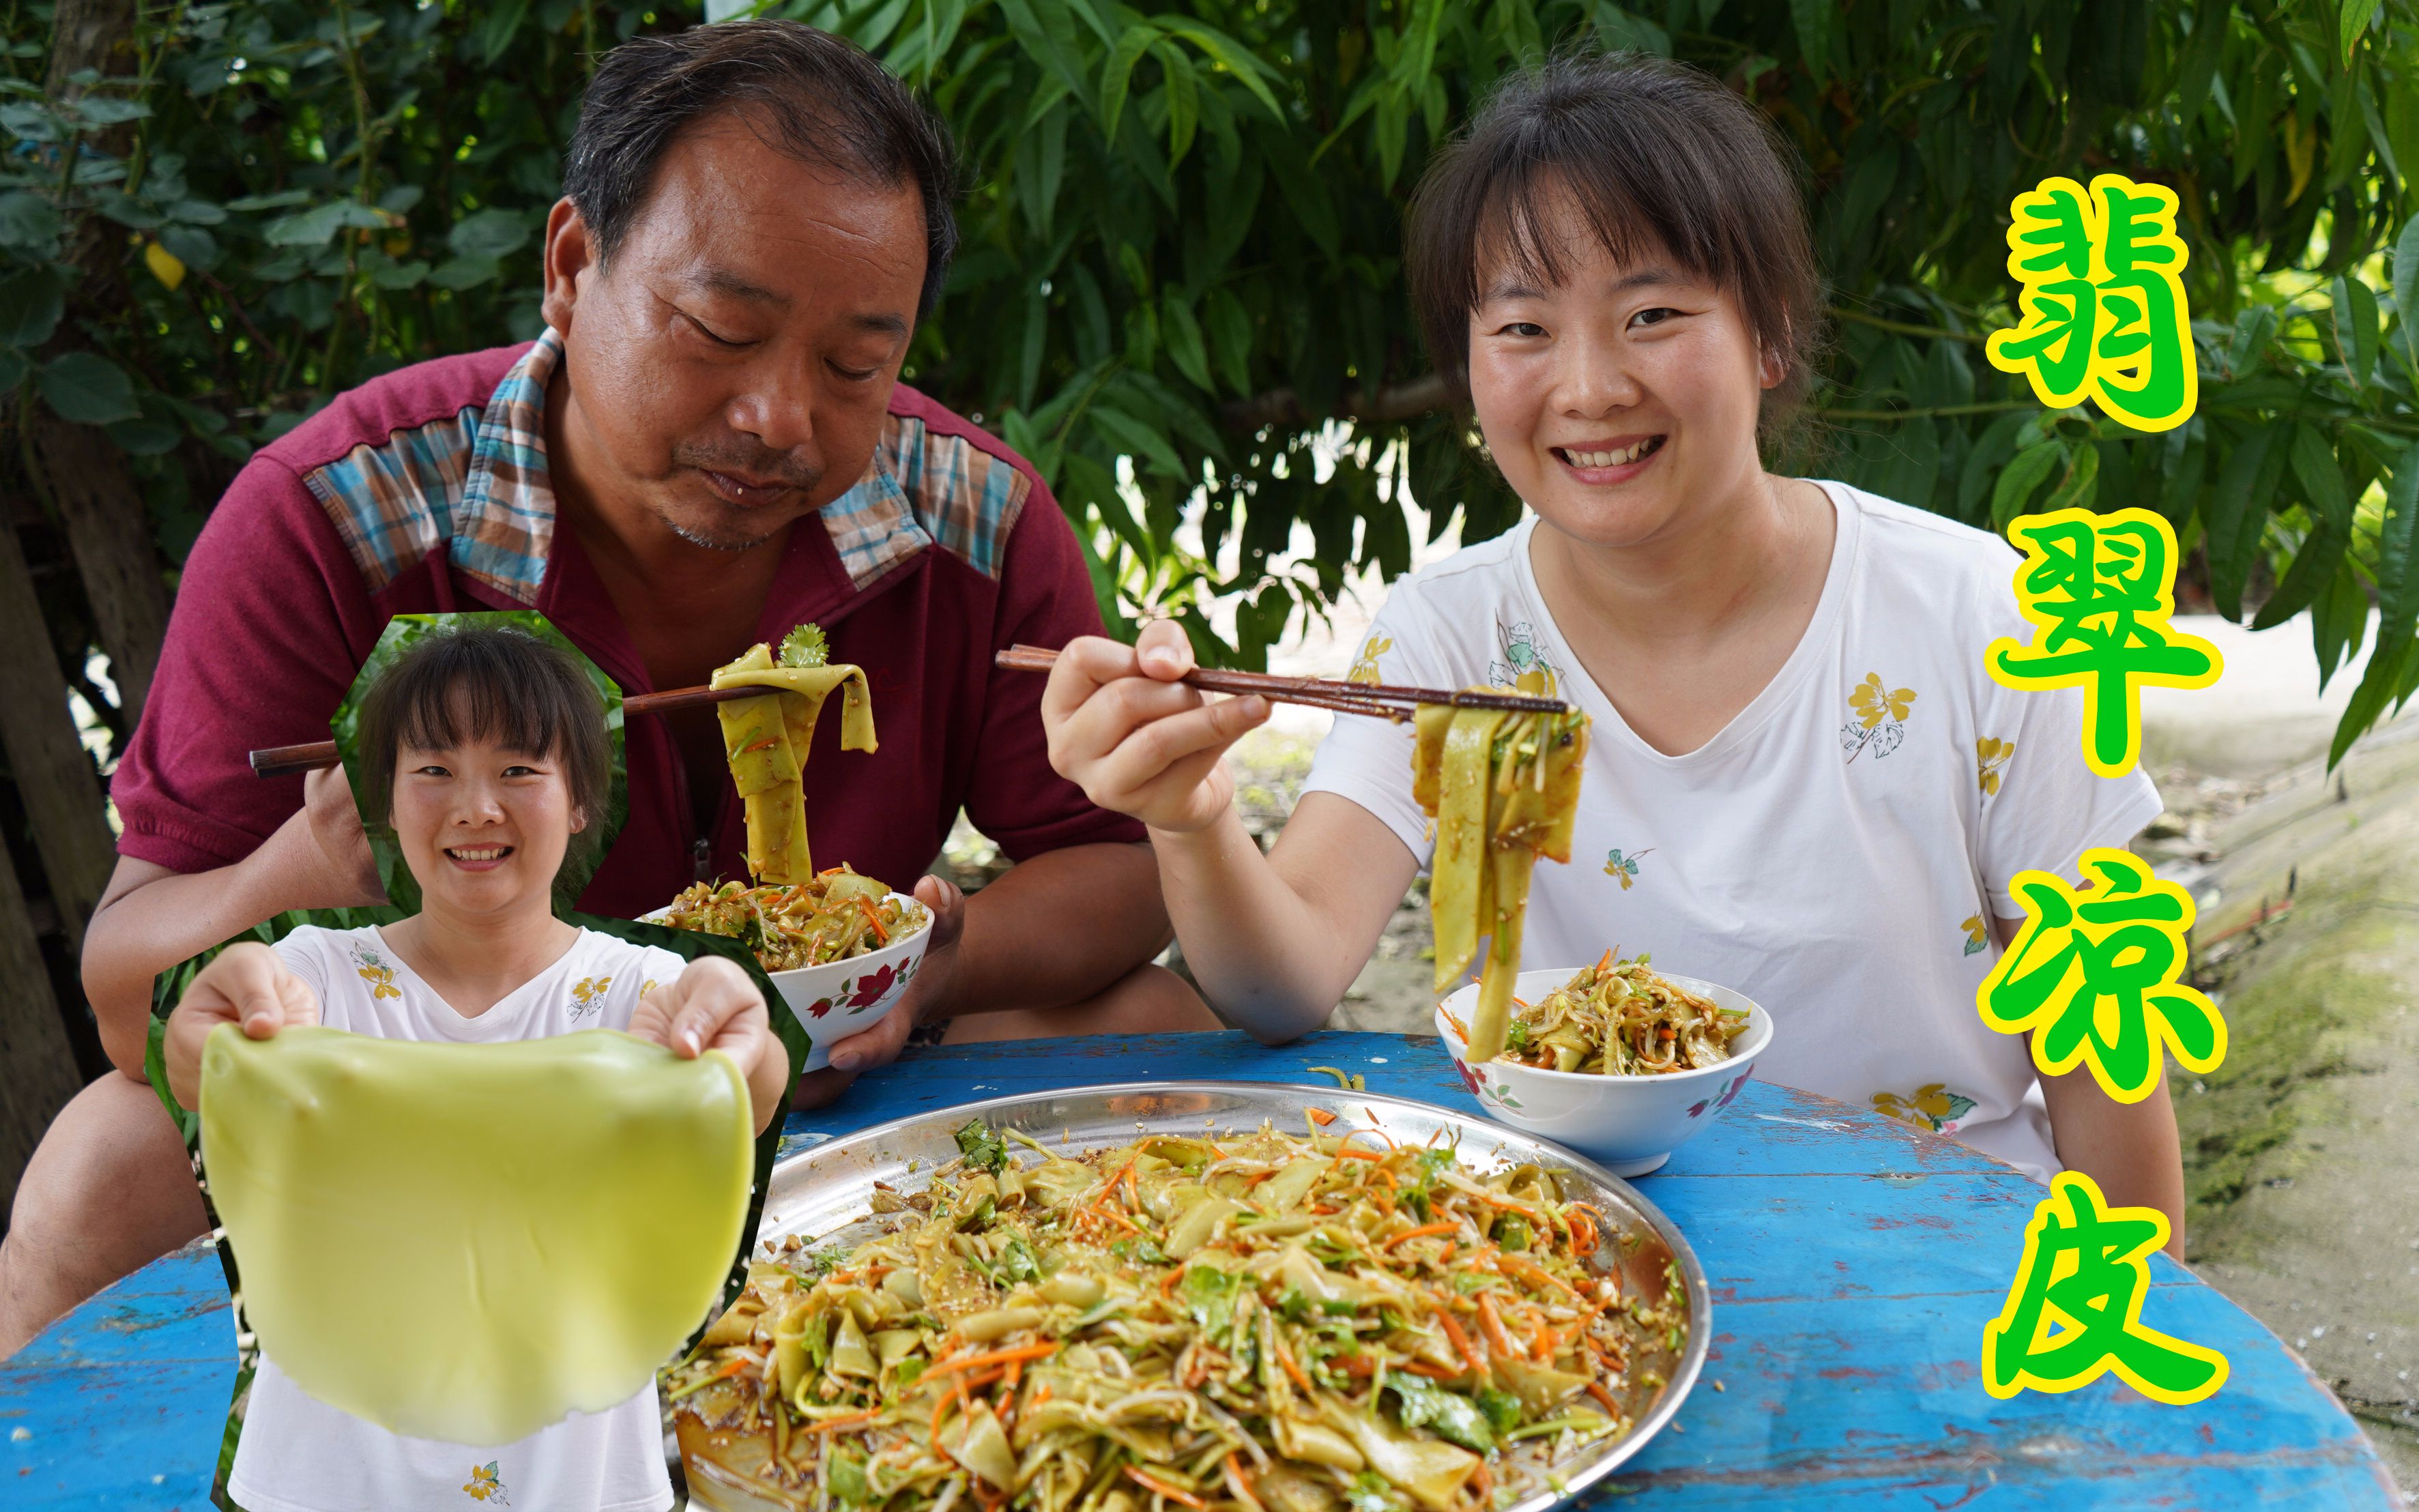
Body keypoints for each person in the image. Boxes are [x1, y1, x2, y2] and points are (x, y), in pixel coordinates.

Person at [0, 20, 1211, 1359]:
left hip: (832, 1096)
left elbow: (1114, 862)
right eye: (722, 331)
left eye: (855, 366)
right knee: (108, 1159)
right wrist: (308, 866)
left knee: (1156, 1023)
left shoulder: (969, 520)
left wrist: (927, 972)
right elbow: (129, 995)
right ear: (573, 269)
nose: (779, 419)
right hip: (442, 1105)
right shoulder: (335, 522)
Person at [1041, 55, 2184, 1249]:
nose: (1587, 387)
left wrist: (2136, 1354)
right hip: (1586, 1261)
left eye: (1651, 316)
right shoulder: (1454, 635)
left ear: (1770, 335)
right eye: (1524, 329)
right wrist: (1192, 816)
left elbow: (2102, 1047)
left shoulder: (1985, 616)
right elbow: (1283, 984)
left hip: (1952, 1257)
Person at [161, 622, 785, 1512]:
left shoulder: (637, 991)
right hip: (329, 1473)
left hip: (571, 1474)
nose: (476, 807)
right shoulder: (317, 978)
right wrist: (211, 1025)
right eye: (434, 771)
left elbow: (740, 1096)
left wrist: (739, 1022)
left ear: (579, 802)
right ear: (385, 801)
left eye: (519, 770)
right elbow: (206, 1070)